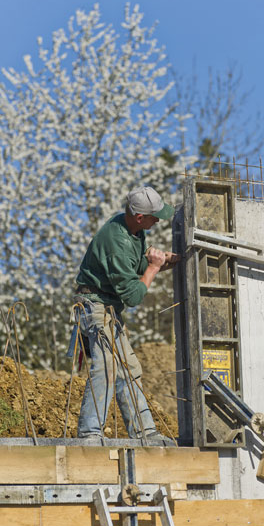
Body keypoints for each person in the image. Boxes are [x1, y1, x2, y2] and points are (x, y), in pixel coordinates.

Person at [73, 186, 180, 445]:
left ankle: (144, 432)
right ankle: (89, 433)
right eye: (155, 216)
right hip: (94, 307)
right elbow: (133, 296)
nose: (159, 220)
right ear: (140, 217)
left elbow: (135, 269)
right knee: (105, 368)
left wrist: (162, 262)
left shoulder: (133, 230)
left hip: (108, 307)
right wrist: (154, 268)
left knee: (129, 368)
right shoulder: (116, 242)